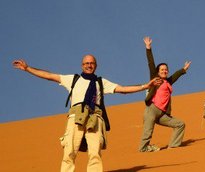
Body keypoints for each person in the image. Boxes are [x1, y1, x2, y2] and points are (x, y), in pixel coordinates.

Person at [12, 55, 161, 172]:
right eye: (86, 63)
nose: (89, 65)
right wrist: (28, 68)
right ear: (82, 65)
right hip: (75, 117)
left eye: (92, 63)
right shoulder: (73, 79)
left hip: (95, 118)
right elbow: (49, 76)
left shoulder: (101, 82)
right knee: (69, 151)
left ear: (96, 66)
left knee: (95, 152)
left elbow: (122, 89)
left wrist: (146, 86)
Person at [139, 37, 189, 152]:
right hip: (151, 109)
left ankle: (173, 146)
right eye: (162, 69)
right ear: (158, 71)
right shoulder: (155, 79)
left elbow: (175, 76)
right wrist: (148, 48)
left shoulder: (168, 82)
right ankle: (143, 148)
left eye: (166, 69)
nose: (164, 71)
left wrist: (183, 70)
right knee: (148, 131)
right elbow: (151, 63)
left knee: (180, 124)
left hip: (162, 114)